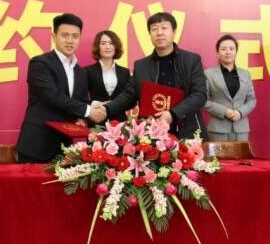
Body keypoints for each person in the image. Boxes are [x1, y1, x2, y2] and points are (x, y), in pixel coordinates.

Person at [100, 12, 207, 140]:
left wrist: (172, 114)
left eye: (164, 28)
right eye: (154, 29)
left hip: (187, 132)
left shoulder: (191, 60)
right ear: (150, 34)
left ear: (174, 32)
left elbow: (199, 95)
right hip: (152, 135)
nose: (159, 33)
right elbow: (129, 95)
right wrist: (106, 109)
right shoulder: (141, 65)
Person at [16, 13, 104, 163]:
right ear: (54, 36)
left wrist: (84, 118)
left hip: (67, 148)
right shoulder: (40, 63)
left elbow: (82, 102)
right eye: (65, 35)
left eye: (75, 36)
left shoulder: (81, 72)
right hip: (37, 144)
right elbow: (52, 96)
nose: (70, 40)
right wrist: (88, 111)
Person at [203, 34, 256, 141]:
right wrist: (224, 111)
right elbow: (203, 100)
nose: (228, 52)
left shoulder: (246, 74)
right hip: (218, 129)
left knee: (242, 153)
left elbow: (252, 100)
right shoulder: (208, 74)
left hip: (241, 129)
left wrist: (240, 112)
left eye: (231, 49)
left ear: (236, 51)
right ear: (217, 52)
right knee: (217, 153)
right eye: (223, 49)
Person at [86, 30, 131, 121]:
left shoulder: (125, 72)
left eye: (111, 43)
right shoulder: (88, 71)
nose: (107, 47)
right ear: (98, 46)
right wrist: (95, 104)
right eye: (103, 43)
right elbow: (80, 98)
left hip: (120, 121)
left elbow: (130, 98)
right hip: (96, 120)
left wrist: (114, 105)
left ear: (116, 46)